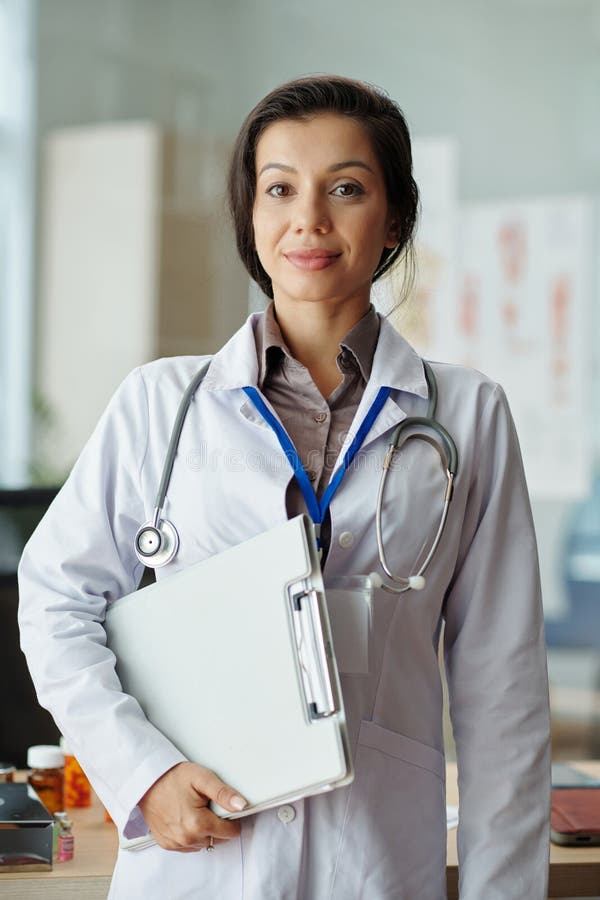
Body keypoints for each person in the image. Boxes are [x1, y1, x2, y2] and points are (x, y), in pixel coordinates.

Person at [18, 74, 551, 899]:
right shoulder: (160, 404)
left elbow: (503, 689)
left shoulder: (468, 415)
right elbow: (57, 601)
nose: (309, 218)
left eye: (346, 187)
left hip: (373, 859)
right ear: (252, 216)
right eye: (279, 189)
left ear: (395, 219)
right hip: (199, 863)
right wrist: (144, 774)